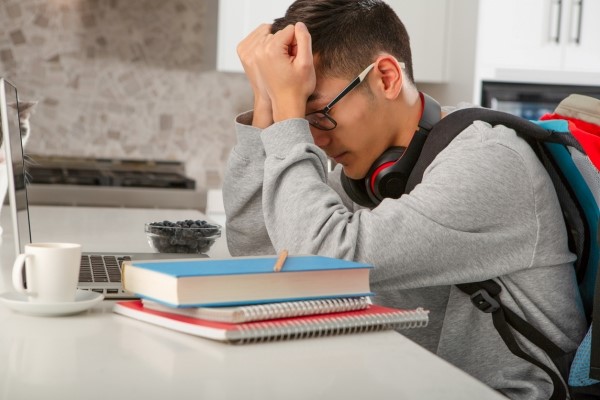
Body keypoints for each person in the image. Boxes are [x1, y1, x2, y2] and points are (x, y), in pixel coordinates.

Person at [222, 1, 587, 398]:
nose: (315, 139)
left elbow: (321, 259)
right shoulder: (378, 170)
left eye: (317, 112)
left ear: (386, 77)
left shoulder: (488, 160)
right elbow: (259, 249)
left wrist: (288, 120)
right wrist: (267, 105)